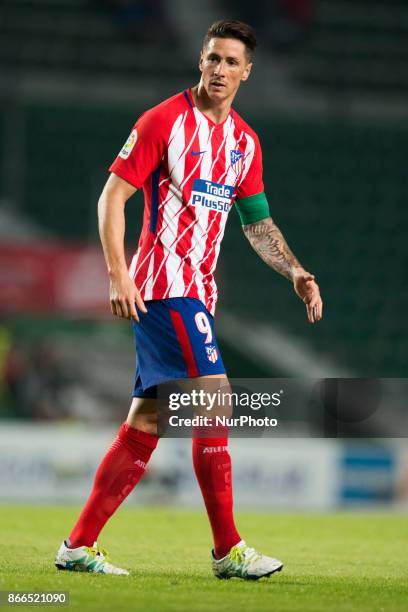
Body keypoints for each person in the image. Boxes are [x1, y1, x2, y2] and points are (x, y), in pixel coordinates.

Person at [55, 19, 322, 579]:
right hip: (163, 286)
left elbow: (257, 223)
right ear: (199, 61)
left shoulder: (245, 143)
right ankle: (228, 551)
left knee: (146, 425)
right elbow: (112, 197)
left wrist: (294, 270)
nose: (219, 70)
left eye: (231, 62)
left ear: (247, 72)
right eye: (212, 58)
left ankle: (77, 546)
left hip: (199, 292)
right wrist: (116, 274)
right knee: (217, 399)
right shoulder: (163, 120)